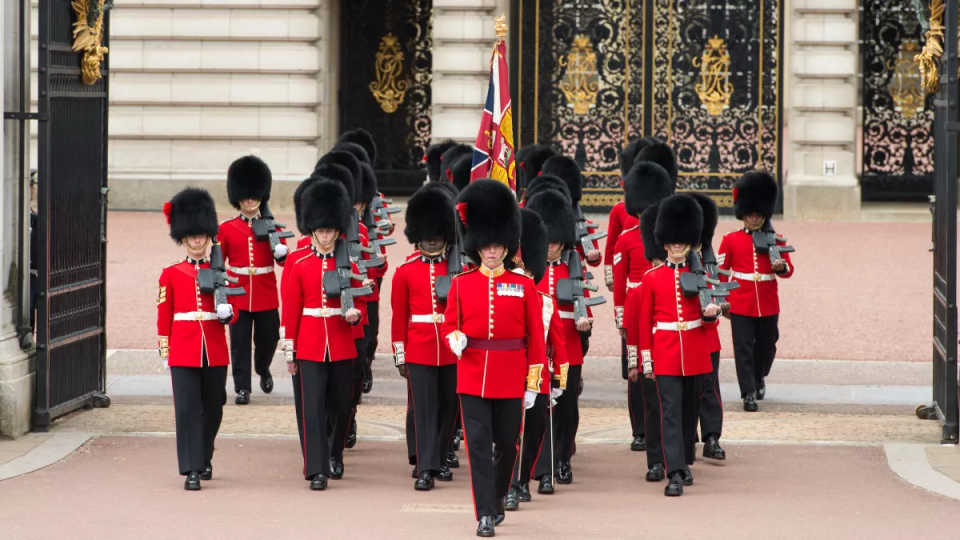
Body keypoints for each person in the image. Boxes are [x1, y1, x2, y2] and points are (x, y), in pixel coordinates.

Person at [441, 179, 545, 538]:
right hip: (472, 376)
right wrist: (453, 338)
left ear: (506, 247)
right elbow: (450, 325)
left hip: (511, 376)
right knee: (479, 448)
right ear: (477, 247)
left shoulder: (525, 286)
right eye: (486, 246)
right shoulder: (461, 284)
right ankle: (484, 513)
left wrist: (533, 383)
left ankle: (498, 497)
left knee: (508, 444)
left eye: (497, 245)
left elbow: (536, 338)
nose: (491, 251)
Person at [632, 194, 719, 497]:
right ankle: (675, 472)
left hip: (694, 351)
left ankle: (684, 460)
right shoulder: (652, 278)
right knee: (669, 412)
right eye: (673, 241)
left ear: (690, 242)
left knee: (688, 414)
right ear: (665, 242)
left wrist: (710, 316)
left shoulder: (701, 276)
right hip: (666, 352)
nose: (677, 246)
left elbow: (711, 322)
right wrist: (646, 360)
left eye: (682, 241)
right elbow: (644, 323)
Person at [281, 179, 364, 490]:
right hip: (310, 344)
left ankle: (334, 452)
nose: (326, 235)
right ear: (313, 230)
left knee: (343, 406)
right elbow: (290, 310)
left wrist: (355, 317)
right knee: (312, 408)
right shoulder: (297, 262)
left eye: (330, 230)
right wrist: (290, 352)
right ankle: (316, 469)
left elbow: (362, 303)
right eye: (322, 230)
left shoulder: (349, 262)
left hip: (342, 342)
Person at [157, 187, 236, 490]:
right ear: (184, 238)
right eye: (192, 236)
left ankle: (205, 452)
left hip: (214, 348)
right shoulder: (171, 274)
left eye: (202, 235)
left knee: (214, 406)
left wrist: (229, 313)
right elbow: (164, 316)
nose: (198, 240)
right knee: (187, 409)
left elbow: (235, 312)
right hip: (184, 349)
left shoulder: (221, 272)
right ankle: (192, 467)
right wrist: (166, 351)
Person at [391, 184, 459, 490]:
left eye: (437, 234)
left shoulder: (458, 268)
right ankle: (425, 466)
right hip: (418, 347)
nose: (432, 241)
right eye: (427, 235)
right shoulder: (405, 271)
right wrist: (400, 353)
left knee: (448, 406)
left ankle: (441, 457)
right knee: (423, 407)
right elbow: (399, 316)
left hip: (450, 347)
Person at [718, 171, 794, 412]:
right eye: (750, 214)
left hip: (768, 301)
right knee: (742, 346)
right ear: (743, 214)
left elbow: (789, 270)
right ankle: (748, 391)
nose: (753, 218)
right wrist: (723, 299)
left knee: (767, 344)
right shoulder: (730, 239)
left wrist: (780, 267)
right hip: (740, 300)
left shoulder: (776, 239)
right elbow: (721, 272)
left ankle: (759, 375)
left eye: (758, 214)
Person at [525, 187, 587, 486]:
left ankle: (563, 459)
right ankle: (540, 464)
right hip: (536, 346)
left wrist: (585, 323)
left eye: (556, 242)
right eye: (547, 241)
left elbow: (584, 303)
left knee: (567, 409)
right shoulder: (527, 269)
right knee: (537, 408)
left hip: (568, 346)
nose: (551, 247)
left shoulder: (572, 269)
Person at [506, 208, 566, 510]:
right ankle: (511, 485)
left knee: (534, 433)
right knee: (508, 432)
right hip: (508, 374)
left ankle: (524, 476)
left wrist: (560, 381)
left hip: (539, 377)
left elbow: (558, 342)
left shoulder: (545, 301)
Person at [613, 161, 673, 452]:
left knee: (662, 368)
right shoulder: (626, 239)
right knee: (635, 369)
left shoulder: (668, 237)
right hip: (635, 307)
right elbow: (621, 280)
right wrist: (621, 318)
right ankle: (639, 428)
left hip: (661, 305)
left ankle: (662, 426)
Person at [219, 156, 289, 405]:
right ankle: (242, 387)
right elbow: (219, 263)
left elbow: (282, 261)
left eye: (253, 196)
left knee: (269, 337)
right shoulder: (226, 229)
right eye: (246, 196)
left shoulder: (272, 227)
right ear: (238, 197)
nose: (249, 201)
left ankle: (263, 367)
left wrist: (281, 251)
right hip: (237, 291)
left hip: (265, 290)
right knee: (238, 343)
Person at [688, 192, 726, 460]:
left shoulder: (711, 259)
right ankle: (688, 436)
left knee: (709, 387)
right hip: (685, 334)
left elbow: (721, 291)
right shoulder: (679, 258)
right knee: (688, 390)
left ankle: (712, 437)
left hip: (709, 334)